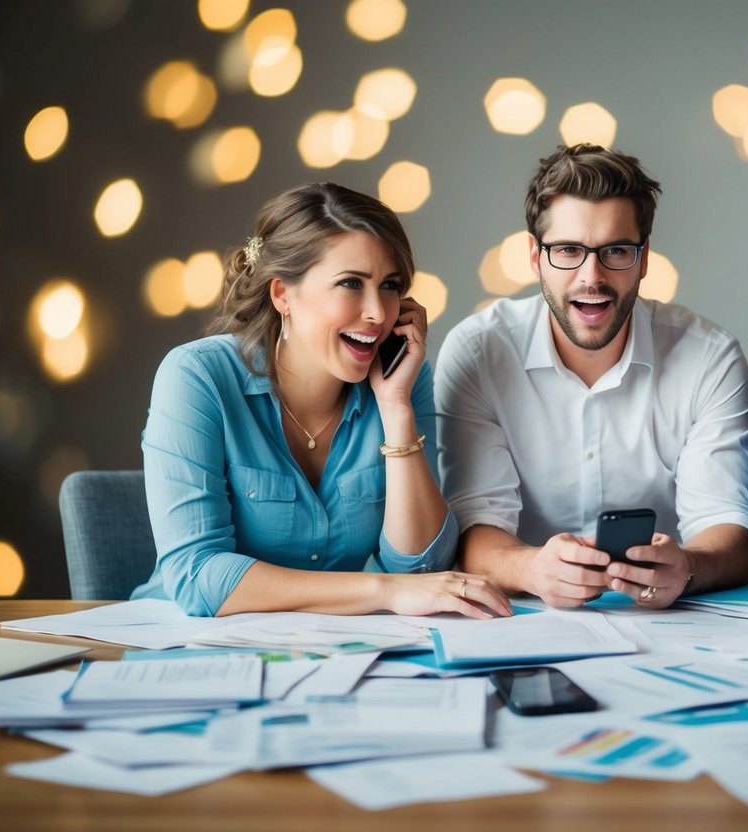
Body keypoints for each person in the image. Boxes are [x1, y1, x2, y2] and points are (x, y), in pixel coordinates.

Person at [132, 182, 511, 619]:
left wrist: (395, 408)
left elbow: (420, 565)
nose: (377, 313)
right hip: (187, 649)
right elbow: (199, 577)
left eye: (390, 286)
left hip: (333, 654)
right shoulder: (197, 377)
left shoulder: (400, 379)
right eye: (351, 283)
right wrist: (382, 592)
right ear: (282, 295)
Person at [436, 144, 748, 609]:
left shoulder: (709, 357)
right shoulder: (478, 352)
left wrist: (688, 569)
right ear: (534, 257)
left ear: (644, 259)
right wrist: (532, 569)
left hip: (667, 626)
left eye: (616, 251)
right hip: (519, 623)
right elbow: (474, 526)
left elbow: (731, 533)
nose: (592, 276)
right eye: (568, 250)